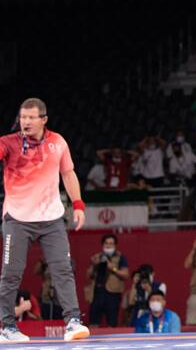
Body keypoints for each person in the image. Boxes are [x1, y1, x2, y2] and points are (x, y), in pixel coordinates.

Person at [0, 98, 90, 342]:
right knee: (11, 274)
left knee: (63, 270)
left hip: (52, 219)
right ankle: (7, 327)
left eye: (31, 117)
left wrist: (78, 204)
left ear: (43, 120)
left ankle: (73, 322)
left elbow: (68, 173)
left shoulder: (57, 142)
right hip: (18, 218)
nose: (26, 122)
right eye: (23, 117)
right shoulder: (8, 143)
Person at [86, 234, 130, 327]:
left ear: (115, 245)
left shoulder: (120, 257)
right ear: (102, 245)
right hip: (97, 293)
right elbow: (88, 275)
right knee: (93, 322)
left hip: (112, 294)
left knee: (112, 322)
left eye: (111, 243)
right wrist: (94, 265)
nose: (108, 245)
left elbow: (126, 274)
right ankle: (92, 340)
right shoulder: (97, 257)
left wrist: (113, 268)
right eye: (106, 243)